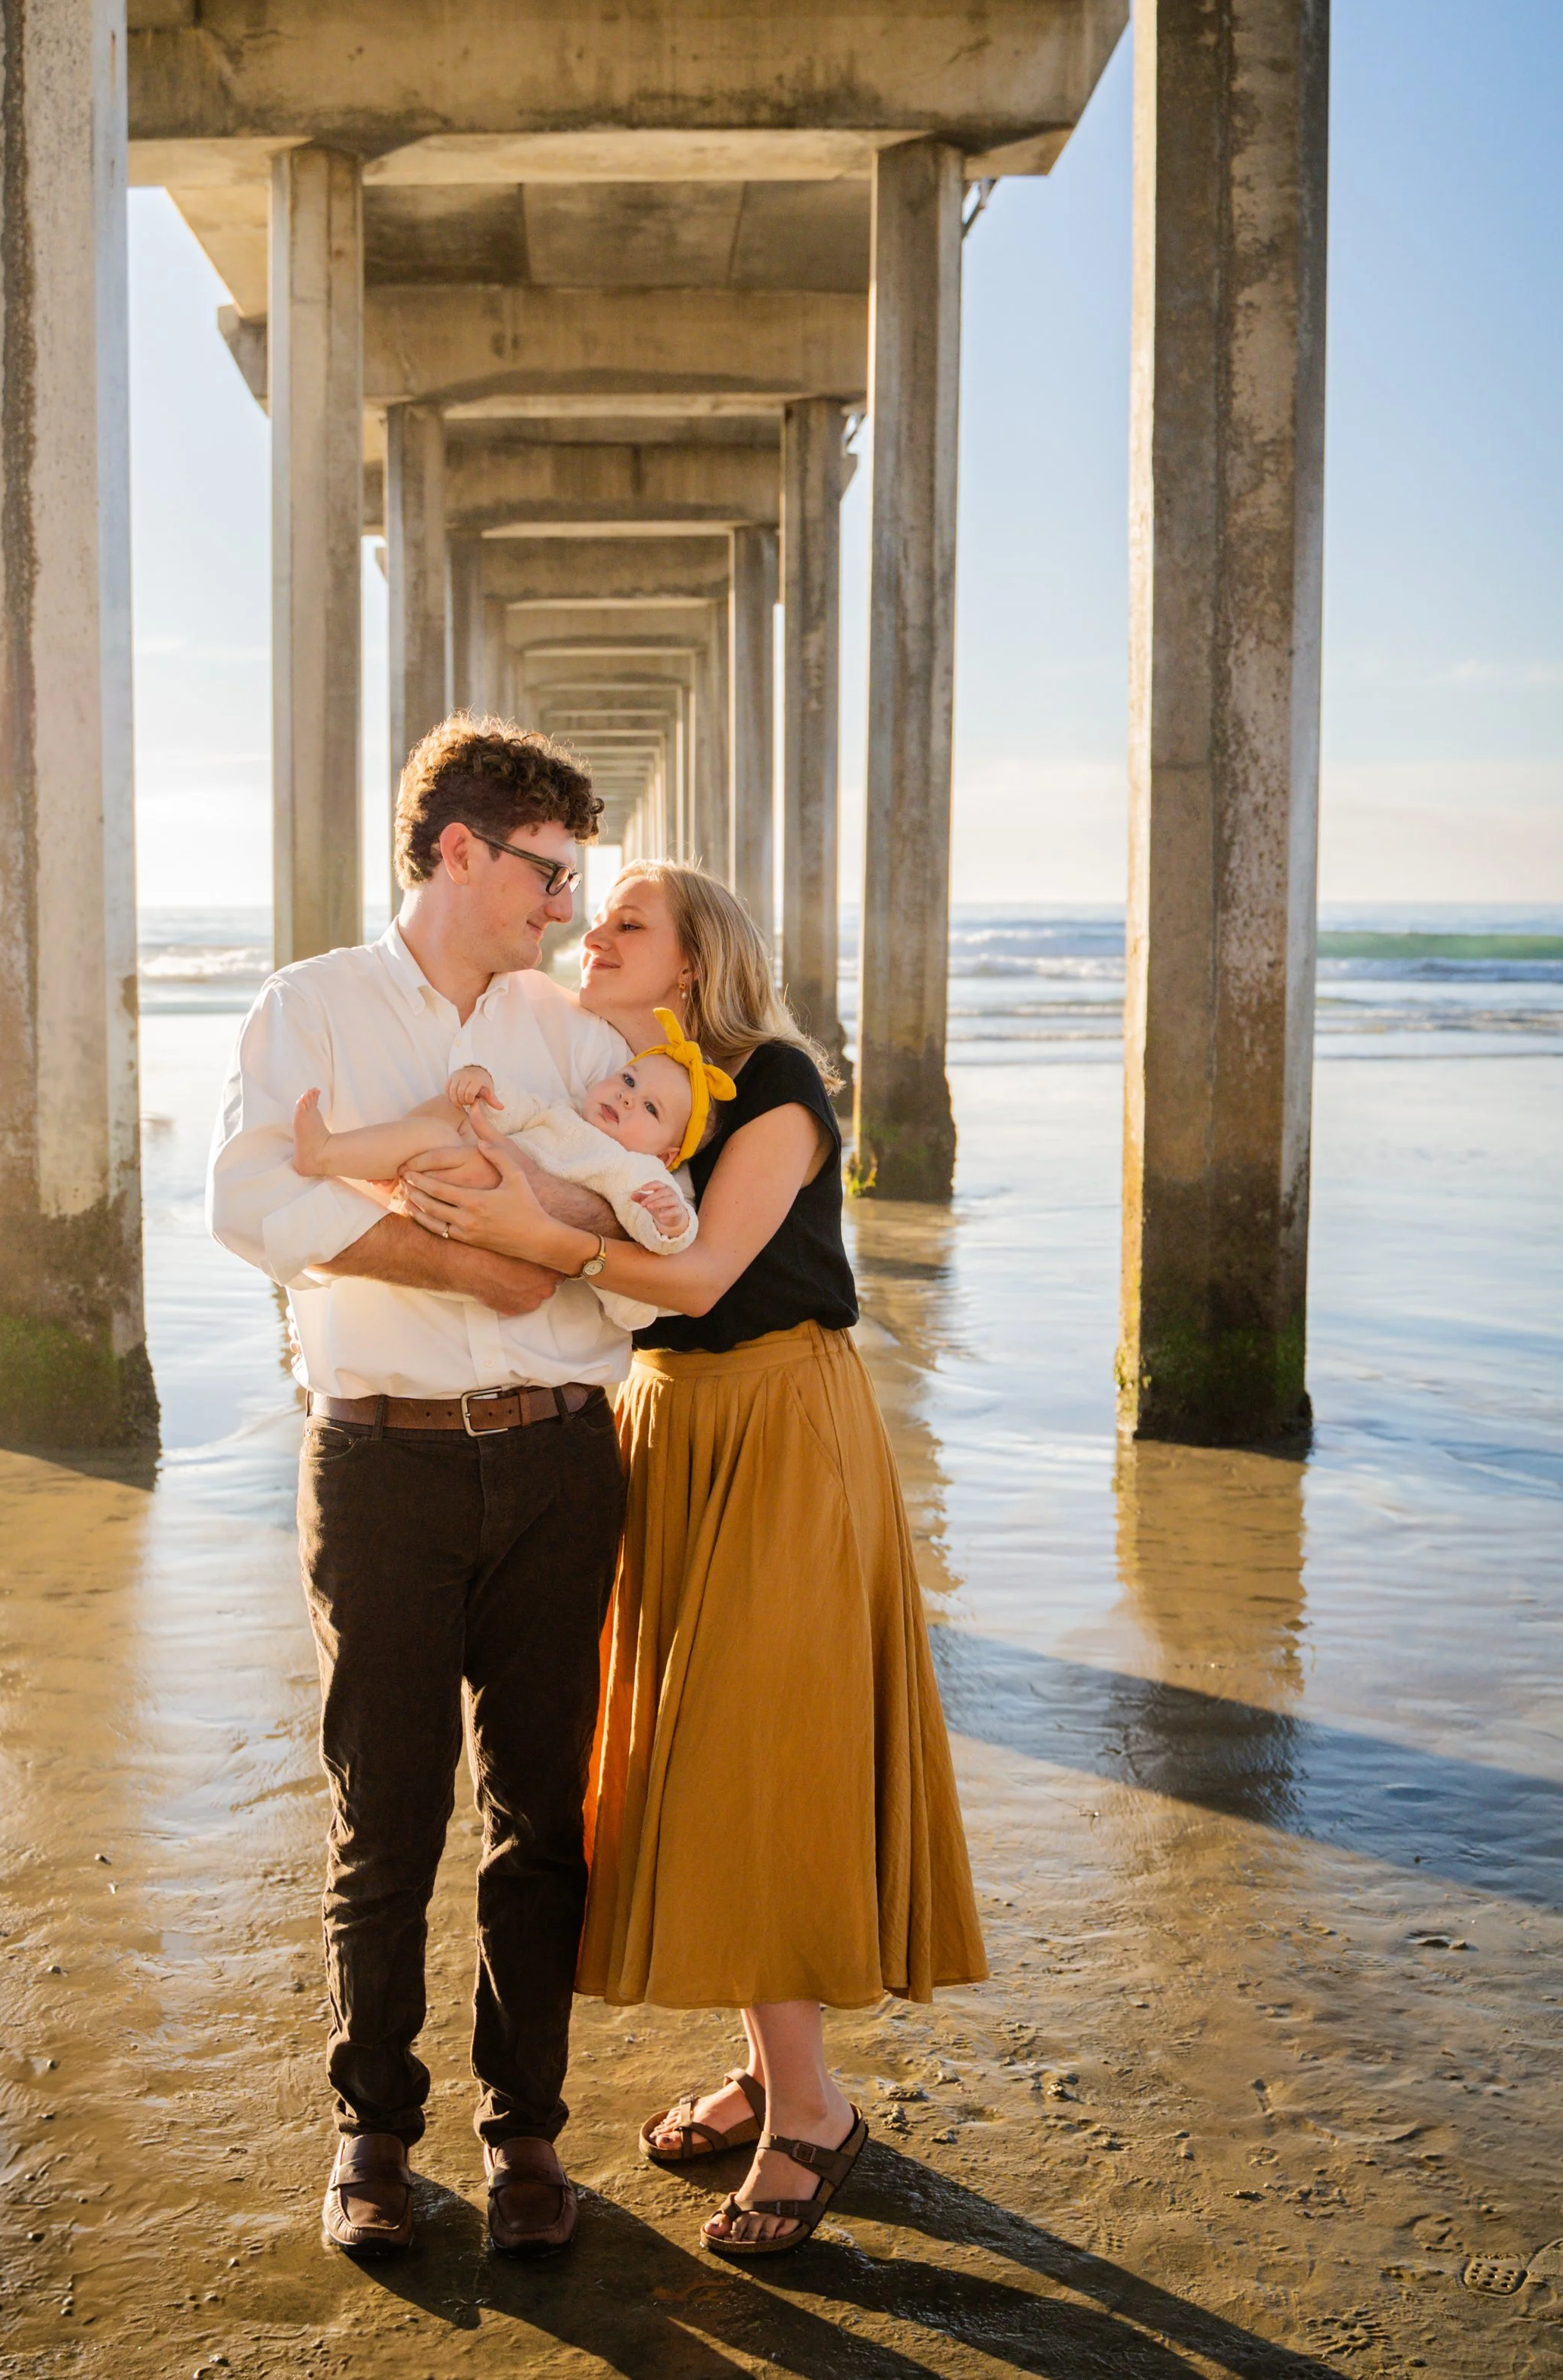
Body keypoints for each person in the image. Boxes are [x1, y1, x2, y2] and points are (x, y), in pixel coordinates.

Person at [399, 860, 989, 2264]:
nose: (592, 935)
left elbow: (707, 1276)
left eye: (626, 925)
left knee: (757, 1743)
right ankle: (771, 2068)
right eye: (588, 917)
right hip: (666, 1427)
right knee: (696, 1748)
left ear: (696, 957)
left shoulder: (774, 1081)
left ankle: (813, 2110)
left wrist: (528, 1238)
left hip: (780, 1422)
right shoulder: (623, 1077)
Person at [207, 717, 649, 2263]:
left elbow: (640, 1220)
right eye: (543, 872)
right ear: (455, 849)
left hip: (555, 1458)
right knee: (383, 1817)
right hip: (380, 1459)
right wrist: (462, 1251)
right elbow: (251, 1198)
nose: (563, 909)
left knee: (542, 1817)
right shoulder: (310, 1007)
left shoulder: (566, 1035)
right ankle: (370, 2138)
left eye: (574, 879)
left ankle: (527, 2133)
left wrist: (531, 1210)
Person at [288, 1002, 730, 1255]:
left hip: (502, 1218)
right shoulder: (562, 1112)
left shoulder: (637, 1171)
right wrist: (482, 1081)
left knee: (437, 1139)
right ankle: (389, 1166)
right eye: (629, 1080)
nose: (628, 1097)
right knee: (451, 1110)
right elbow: (507, 1108)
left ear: (666, 1157)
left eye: (650, 1108)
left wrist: (671, 1222)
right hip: (471, 1179)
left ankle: (324, 1153)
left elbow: (663, 1236)